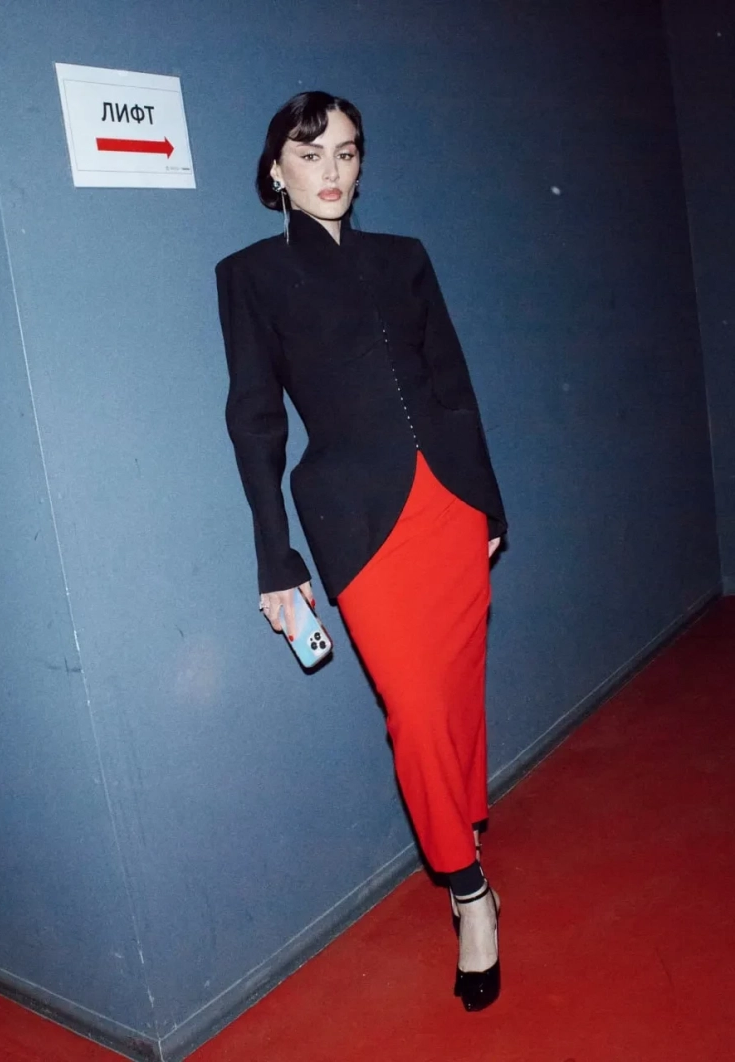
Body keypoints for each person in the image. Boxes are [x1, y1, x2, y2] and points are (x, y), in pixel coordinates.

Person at [215, 91, 507, 1012]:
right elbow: (255, 419)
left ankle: (464, 828)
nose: (331, 170)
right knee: (415, 708)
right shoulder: (251, 275)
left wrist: (488, 500)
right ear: (276, 170)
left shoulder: (404, 257)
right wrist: (275, 556)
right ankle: (471, 894)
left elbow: (452, 384)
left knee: (457, 696)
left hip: (451, 504)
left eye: (345, 152)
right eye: (310, 155)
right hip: (359, 522)